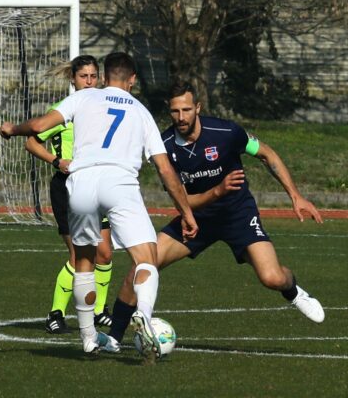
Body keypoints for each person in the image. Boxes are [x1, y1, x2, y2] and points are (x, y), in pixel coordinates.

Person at [0, 53, 198, 357]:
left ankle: (89, 338)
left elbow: (39, 126)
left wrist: (13, 130)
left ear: (105, 77)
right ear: (132, 79)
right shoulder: (142, 111)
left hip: (81, 183)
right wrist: (185, 212)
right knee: (146, 257)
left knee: (84, 260)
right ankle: (143, 315)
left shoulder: (84, 98)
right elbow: (165, 170)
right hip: (119, 183)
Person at [107, 81, 325, 354]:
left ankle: (293, 291)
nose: (181, 117)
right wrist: (216, 191)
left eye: (187, 109)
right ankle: (114, 339)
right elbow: (182, 200)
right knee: (143, 266)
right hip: (195, 219)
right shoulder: (161, 146)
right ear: (169, 111)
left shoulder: (226, 132)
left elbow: (267, 154)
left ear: (197, 107)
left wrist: (295, 195)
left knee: (271, 277)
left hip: (238, 214)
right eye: (175, 111)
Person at [25, 55, 113, 334]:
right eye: (83, 76)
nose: (89, 81)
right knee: (78, 256)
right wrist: (56, 161)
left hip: (97, 187)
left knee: (106, 254)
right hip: (67, 189)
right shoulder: (63, 111)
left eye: (93, 76)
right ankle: (56, 313)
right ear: (73, 80)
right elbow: (31, 142)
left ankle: (99, 311)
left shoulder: (102, 109)